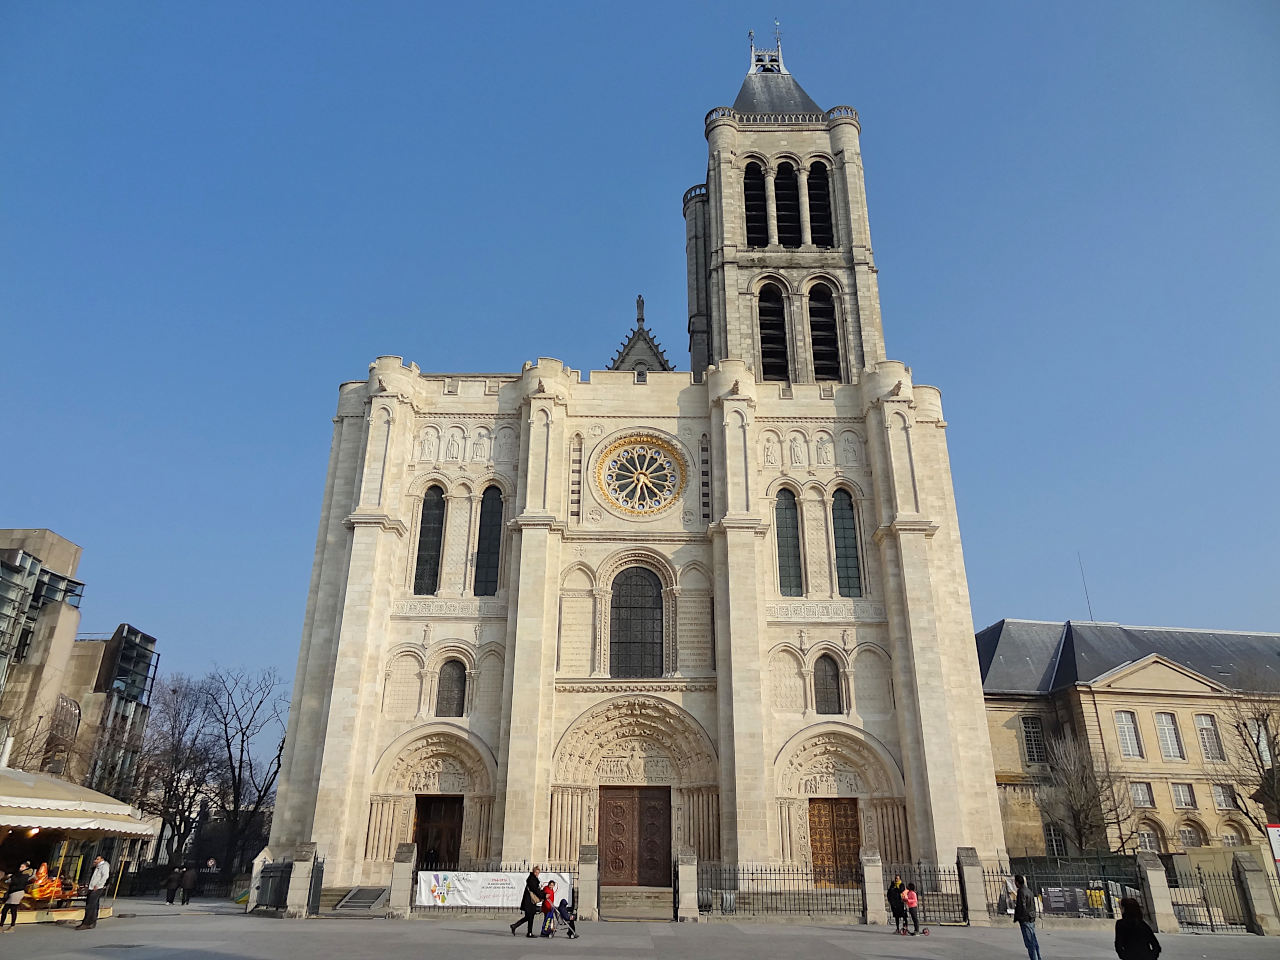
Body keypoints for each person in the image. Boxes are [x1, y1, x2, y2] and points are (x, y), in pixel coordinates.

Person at [77, 855, 109, 930]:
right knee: (94, 905)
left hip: (97, 888)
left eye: (97, 859)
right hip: (92, 887)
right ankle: (92, 922)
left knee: (90, 905)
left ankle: (87, 923)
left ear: (102, 859)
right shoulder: (97, 866)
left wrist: (98, 885)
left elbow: (105, 876)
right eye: (95, 859)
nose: (95, 860)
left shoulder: (104, 866)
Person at [1013, 874, 1041, 960]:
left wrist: (1018, 917)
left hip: (1025, 919)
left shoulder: (1021, 892)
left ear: (1017, 882)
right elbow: (1032, 905)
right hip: (1031, 917)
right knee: (1033, 940)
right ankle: (1038, 957)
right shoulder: (1029, 890)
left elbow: (1022, 906)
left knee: (1029, 942)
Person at [510, 866, 542, 937]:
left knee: (528, 916)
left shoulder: (533, 879)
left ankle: (515, 926)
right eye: (536, 872)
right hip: (529, 901)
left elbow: (536, 889)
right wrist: (543, 895)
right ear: (533, 872)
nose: (537, 874)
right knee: (530, 916)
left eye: (538, 873)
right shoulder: (532, 879)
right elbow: (534, 889)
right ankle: (529, 933)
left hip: (530, 901)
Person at [2, 862, 31, 932]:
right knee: (6, 910)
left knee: (11, 909)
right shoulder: (19, 874)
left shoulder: (25, 875)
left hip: (17, 892)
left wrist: (11, 877)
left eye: (23, 867)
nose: (20, 868)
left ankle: (11, 926)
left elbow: (17, 882)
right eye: (21, 866)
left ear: (26, 868)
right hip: (13, 892)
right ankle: (3, 925)